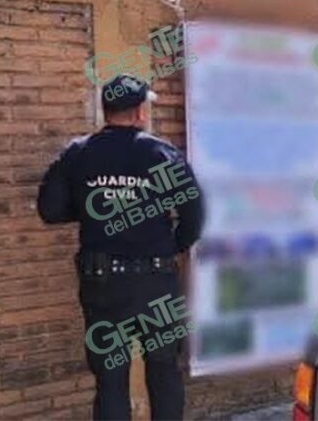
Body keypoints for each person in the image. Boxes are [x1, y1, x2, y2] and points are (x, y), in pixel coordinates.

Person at [37, 74, 205, 421]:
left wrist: (94, 209)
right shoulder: (161, 154)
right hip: (156, 283)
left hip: (103, 284)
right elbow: (195, 215)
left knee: (110, 380)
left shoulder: (78, 153)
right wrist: (173, 246)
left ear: (106, 110)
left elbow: (50, 210)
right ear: (141, 111)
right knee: (164, 371)